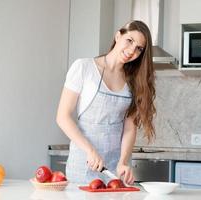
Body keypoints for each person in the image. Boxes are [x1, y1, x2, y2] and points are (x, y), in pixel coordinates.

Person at [56, 20, 156, 185]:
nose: (132, 51)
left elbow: (129, 127)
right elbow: (63, 116)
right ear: (118, 36)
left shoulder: (134, 81)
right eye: (129, 41)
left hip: (116, 168)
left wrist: (123, 161)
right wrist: (90, 150)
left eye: (139, 48)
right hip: (84, 160)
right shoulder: (84, 67)